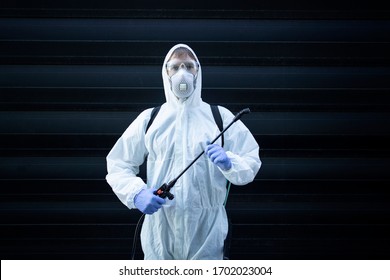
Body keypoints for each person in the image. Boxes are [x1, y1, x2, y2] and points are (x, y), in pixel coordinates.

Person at [106, 44, 261, 260]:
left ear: (198, 71)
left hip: (207, 234)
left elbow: (251, 160)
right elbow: (117, 164)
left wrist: (230, 162)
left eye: (189, 66)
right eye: (175, 66)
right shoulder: (150, 119)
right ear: (166, 73)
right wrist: (136, 193)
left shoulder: (220, 117)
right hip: (160, 232)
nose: (182, 72)